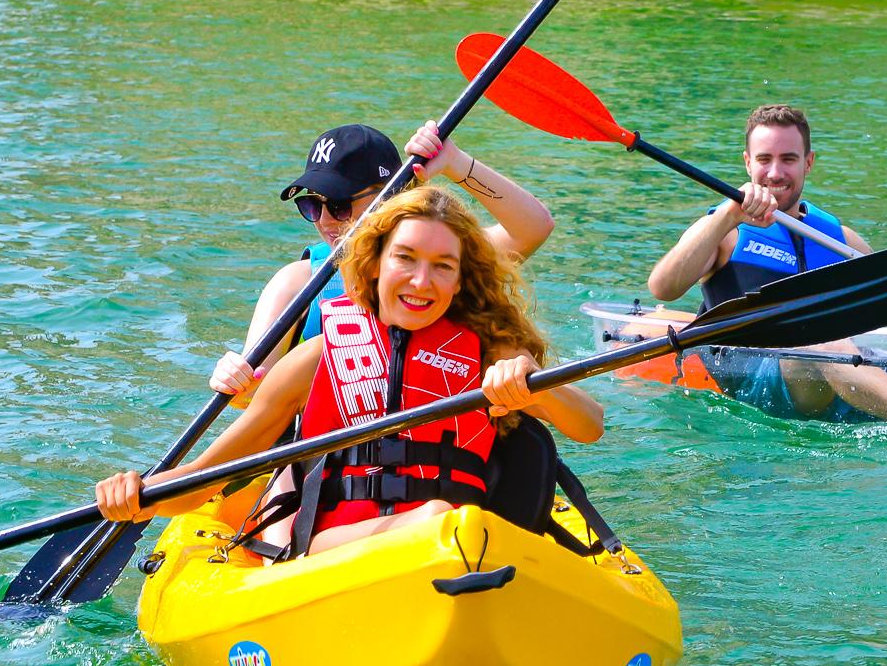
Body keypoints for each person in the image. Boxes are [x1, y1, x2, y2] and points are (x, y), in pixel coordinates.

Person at [95, 188, 599, 556]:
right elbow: (207, 479)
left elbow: (589, 426)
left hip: (459, 547)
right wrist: (138, 495)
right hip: (333, 550)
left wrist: (534, 384)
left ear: (462, 276)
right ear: (376, 262)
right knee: (442, 522)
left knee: (451, 526)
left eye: (444, 265)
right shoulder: (316, 357)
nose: (422, 281)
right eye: (406, 257)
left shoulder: (489, 350)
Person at [640, 104, 887, 426]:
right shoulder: (724, 232)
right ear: (747, 162)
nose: (775, 173)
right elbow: (663, 287)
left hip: (852, 371)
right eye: (764, 160)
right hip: (758, 376)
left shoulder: (839, 239)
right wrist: (726, 215)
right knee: (821, 337)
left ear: (808, 163)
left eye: (788, 159)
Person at [208, 121, 553, 403]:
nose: (326, 220)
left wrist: (456, 163)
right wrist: (234, 378)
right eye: (313, 205)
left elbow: (533, 228)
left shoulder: (443, 259)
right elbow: (253, 392)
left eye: (340, 204)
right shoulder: (295, 283)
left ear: (394, 194)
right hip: (325, 459)